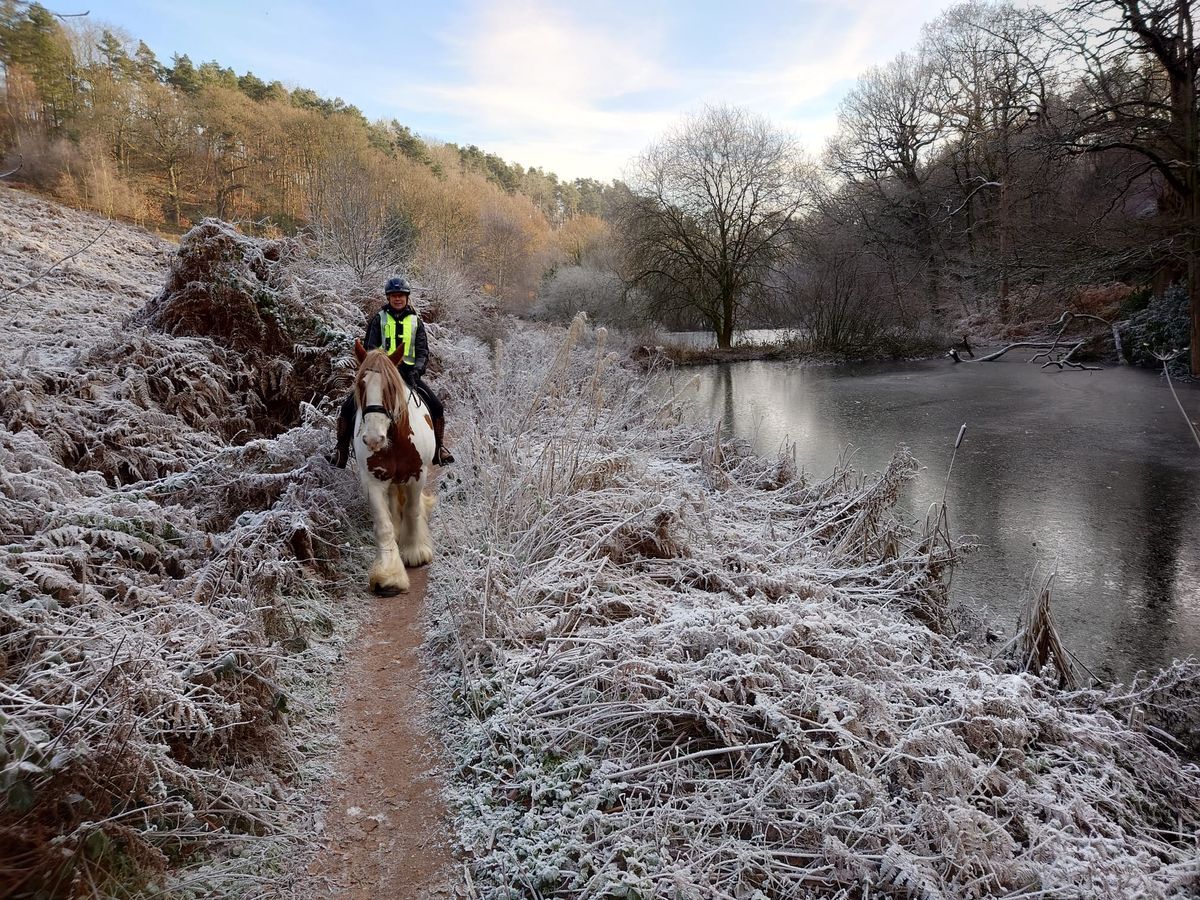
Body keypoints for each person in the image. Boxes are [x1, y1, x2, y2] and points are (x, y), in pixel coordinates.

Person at [330, 276, 454, 468]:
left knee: (436, 406)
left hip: (408, 375)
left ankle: (439, 449)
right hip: (381, 376)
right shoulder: (378, 319)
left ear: (407, 298)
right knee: (348, 407)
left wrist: (417, 371)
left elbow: (422, 352)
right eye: (394, 296)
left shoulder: (416, 322)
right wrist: (378, 368)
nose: (398, 299)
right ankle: (341, 450)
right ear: (388, 298)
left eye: (401, 296)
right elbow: (370, 347)